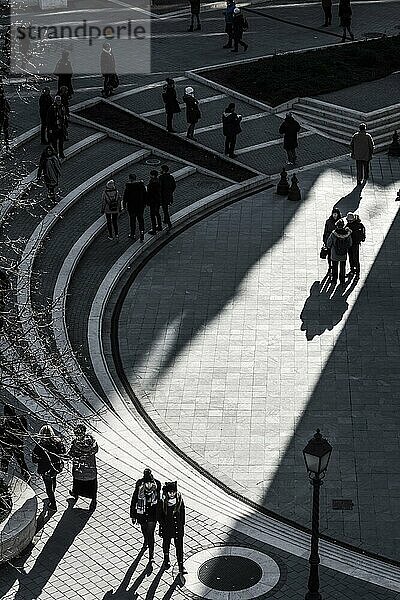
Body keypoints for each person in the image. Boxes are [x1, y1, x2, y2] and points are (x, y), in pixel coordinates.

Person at [130, 468, 161, 563]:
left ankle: (151, 555)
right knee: (144, 530)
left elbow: (159, 501)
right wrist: (133, 515)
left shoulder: (157, 485)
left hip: (152, 514)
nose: (148, 486)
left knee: (151, 534)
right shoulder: (139, 485)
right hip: (141, 513)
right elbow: (134, 499)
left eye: (150, 483)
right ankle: (145, 540)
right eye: (147, 483)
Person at [32, 425, 66, 511]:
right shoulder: (58, 442)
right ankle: (53, 492)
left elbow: (34, 459)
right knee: (53, 479)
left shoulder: (40, 446)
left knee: (48, 486)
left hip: (45, 469)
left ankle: (53, 504)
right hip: (55, 467)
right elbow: (63, 453)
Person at [157, 481, 186, 576]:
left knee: (179, 547)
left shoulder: (180, 500)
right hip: (167, 528)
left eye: (174, 492)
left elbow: (182, 513)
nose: (172, 494)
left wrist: (181, 524)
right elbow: (159, 516)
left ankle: (181, 565)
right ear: (167, 492)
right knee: (166, 544)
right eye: (170, 492)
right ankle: (166, 559)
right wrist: (163, 524)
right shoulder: (162, 501)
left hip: (177, 528)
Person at [68, 424, 98, 511]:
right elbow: (96, 450)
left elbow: (71, 454)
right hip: (90, 469)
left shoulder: (75, 444)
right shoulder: (92, 443)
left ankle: (76, 494)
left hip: (79, 469)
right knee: (92, 484)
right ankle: (93, 499)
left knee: (77, 482)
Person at [0, 404, 29, 481]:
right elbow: (24, 432)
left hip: (7, 446)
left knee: (5, 463)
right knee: (21, 462)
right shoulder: (20, 420)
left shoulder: (3, 422)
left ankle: (2, 480)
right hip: (16, 445)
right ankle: (27, 477)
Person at [326, 218, 352, 285]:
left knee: (334, 267)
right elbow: (350, 243)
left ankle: (334, 280)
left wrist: (330, 247)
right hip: (343, 254)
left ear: (337, 225)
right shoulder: (347, 234)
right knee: (342, 267)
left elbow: (329, 244)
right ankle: (342, 280)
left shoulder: (333, 234)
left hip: (334, 254)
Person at [123, 173, 147, 241]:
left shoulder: (128, 187)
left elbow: (125, 198)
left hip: (131, 207)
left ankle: (133, 234)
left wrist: (124, 206)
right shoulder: (141, 185)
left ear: (130, 179)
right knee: (140, 219)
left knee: (132, 220)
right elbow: (145, 195)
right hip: (140, 206)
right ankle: (142, 233)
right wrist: (144, 203)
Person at [322, 207, 342, 273]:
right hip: (329, 239)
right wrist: (324, 240)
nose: (334, 215)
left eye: (336, 214)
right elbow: (325, 231)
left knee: (335, 254)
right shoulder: (328, 221)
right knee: (329, 254)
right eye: (334, 214)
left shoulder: (340, 222)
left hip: (337, 241)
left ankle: (334, 266)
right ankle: (330, 266)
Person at [159, 165, 176, 231]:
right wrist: (170, 192)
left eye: (161, 169)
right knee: (165, 208)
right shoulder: (171, 177)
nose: (160, 170)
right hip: (169, 195)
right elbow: (174, 186)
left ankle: (168, 222)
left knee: (165, 209)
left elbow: (160, 188)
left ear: (163, 170)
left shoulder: (161, 177)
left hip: (163, 196)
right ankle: (166, 220)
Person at [147, 170, 162, 235]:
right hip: (158, 200)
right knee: (157, 213)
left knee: (152, 215)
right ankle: (159, 226)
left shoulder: (152, 183)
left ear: (152, 175)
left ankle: (154, 230)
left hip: (153, 201)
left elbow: (149, 193)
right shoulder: (158, 181)